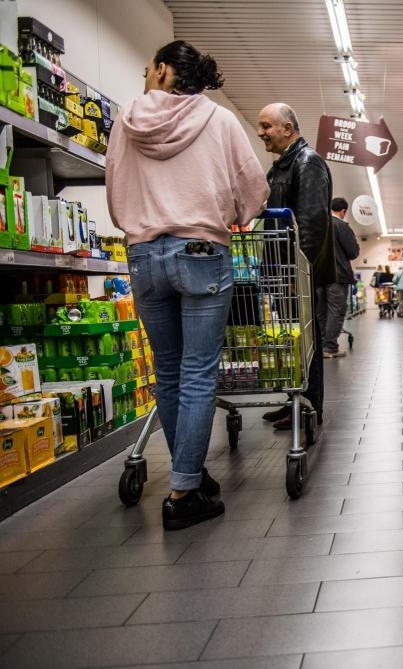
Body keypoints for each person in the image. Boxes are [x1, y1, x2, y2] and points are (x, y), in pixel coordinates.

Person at [106, 40, 269, 530]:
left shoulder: (126, 121)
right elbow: (253, 189)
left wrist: (140, 222)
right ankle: (182, 494)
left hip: (143, 255)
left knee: (170, 373)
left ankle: (190, 473)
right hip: (200, 252)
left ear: (161, 70)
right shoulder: (218, 121)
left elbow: (114, 189)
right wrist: (233, 215)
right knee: (199, 373)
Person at [256, 102, 335, 431]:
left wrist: (299, 273)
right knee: (293, 340)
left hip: (296, 274)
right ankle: (294, 399)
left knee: (307, 341)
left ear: (287, 129)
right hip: (282, 271)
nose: (260, 133)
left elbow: (311, 223)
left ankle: (308, 406)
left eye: (266, 126)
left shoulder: (308, 162)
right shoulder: (281, 167)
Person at [321, 197, 359, 358]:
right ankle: (330, 347)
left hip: (319, 275)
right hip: (337, 275)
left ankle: (322, 345)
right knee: (336, 310)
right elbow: (353, 251)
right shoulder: (341, 226)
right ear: (343, 211)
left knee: (321, 311)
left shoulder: (318, 224)